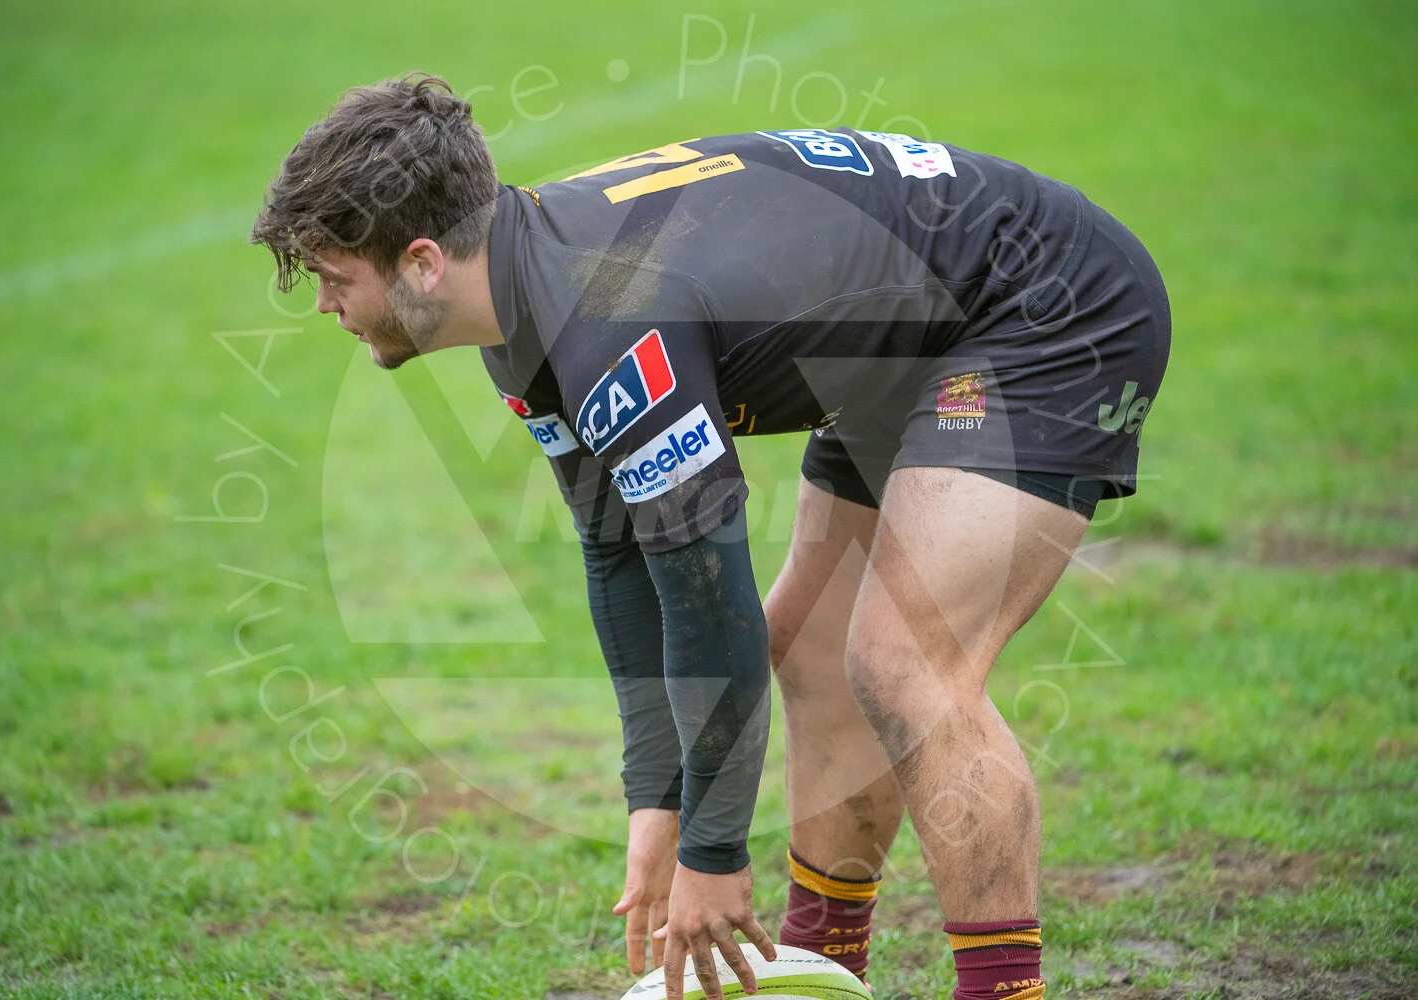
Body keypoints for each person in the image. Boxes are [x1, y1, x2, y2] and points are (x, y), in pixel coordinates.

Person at [251, 74, 1170, 1000]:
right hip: (898, 339)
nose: (326, 306)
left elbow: (707, 591)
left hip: (1044, 306)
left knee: (907, 665)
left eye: (335, 279)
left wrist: (715, 853)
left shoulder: (606, 321)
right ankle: (823, 973)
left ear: (419, 262)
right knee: (810, 652)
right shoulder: (519, 304)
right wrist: (656, 800)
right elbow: (618, 553)